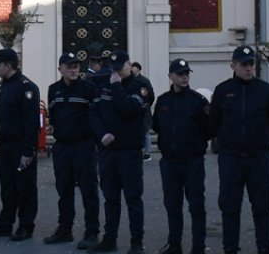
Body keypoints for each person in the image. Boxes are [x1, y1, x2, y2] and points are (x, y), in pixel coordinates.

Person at [208, 45, 269, 254]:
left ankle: (264, 248)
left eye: (252, 64)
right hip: (231, 158)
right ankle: (230, 248)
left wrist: (264, 139)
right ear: (233, 65)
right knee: (230, 207)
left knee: (262, 207)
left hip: (258, 157)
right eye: (244, 64)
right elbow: (213, 122)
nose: (249, 68)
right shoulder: (223, 90)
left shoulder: (266, 91)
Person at [89, 50, 153, 254]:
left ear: (130, 65)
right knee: (110, 198)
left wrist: (116, 86)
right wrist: (102, 134)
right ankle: (110, 239)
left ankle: (136, 241)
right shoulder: (103, 86)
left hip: (129, 151)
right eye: (113, 69)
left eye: (120, 68)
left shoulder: (140, 87)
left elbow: (127, 108)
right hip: (108, 151)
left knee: (133, 198)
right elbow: (94, 113)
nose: (116, 72)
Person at [153, 58, 211, 254]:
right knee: (172, 205)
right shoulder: (163, 101)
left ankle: (198, 247)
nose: (184, 77)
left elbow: (208, 128)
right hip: (170, 162)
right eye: (180, 74)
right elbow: (157, 126)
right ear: (171, 76)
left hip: (192, 161)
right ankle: (174, 244)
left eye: (186, 73)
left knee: (196, 205)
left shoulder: (198, 101)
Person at [0, 48, 41, 241]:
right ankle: (5, 223)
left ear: (8, 65)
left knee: (25, 187)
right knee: (7, 187)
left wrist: (28, 150)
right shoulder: (4, 87)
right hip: (5, 145)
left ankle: (25, 225)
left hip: (20, 146)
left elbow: (31, 123)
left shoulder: (26, 87)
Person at [45, 51, 101, 248]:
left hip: (84, 146)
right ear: (60, 69)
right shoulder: (53, 90)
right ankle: (65, 229)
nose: (73, 69)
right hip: (62, 147)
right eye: (69, 66)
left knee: (89, 190)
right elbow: (53, 115)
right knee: (64, 190)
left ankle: (92, 231)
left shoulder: (88, 89)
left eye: (76, 65)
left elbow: (96, 117)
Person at [130, 61, 155, 161]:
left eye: (134, 68)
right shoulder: (130, 80)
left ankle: (147, 153)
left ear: (138, 69)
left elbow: (151, 95)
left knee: (146, 131)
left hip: (144, 109)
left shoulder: (144, 81)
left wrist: (147, 105)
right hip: (134, 109)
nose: (132, 70)